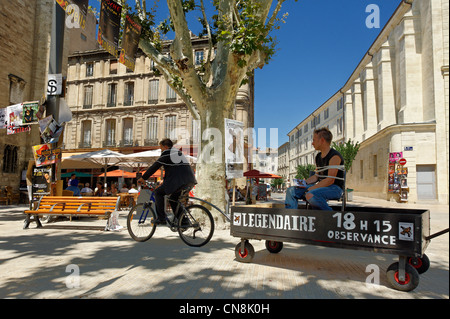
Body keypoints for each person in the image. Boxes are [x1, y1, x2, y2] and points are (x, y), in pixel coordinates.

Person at [138, 138, 197, 224]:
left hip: (178, 181)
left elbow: (155, 166)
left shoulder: (167, 153)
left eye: (161, 148)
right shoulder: (178, 153)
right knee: (173, 198)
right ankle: (184, 221)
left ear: (165, 147)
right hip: (190, 180)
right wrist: (165, 181)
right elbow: (173, 170)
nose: (161, 151)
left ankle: (161, 218)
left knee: (158, 192)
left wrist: (144, 178)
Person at [285, 127, 344, 211]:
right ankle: (290, 217)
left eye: (314, 140)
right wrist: (303, 183)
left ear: (322, 140)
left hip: (334, 188)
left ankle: (331, 216)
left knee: (311, 194)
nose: (312, 143)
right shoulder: (318, 157)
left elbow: (330, 180)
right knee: (291, 190)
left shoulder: (334, 156)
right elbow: (317, 176)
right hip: (321, 186)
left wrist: (311, 188)